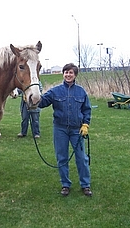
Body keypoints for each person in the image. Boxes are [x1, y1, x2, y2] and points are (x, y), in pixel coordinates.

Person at [38, 63, 92, 197]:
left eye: (71, 73)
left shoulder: (81, 91)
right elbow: (42, 102)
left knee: (82, 158)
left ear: (75, 75)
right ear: (63, 74)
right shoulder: (55, 91)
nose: (68, 75)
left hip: (77, 130)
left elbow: (87, 110)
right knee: (62, 158)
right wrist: (33, 95)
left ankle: (85, 185)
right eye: (66, 72)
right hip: (60, 129)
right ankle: (65, 184)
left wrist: (86, 124)